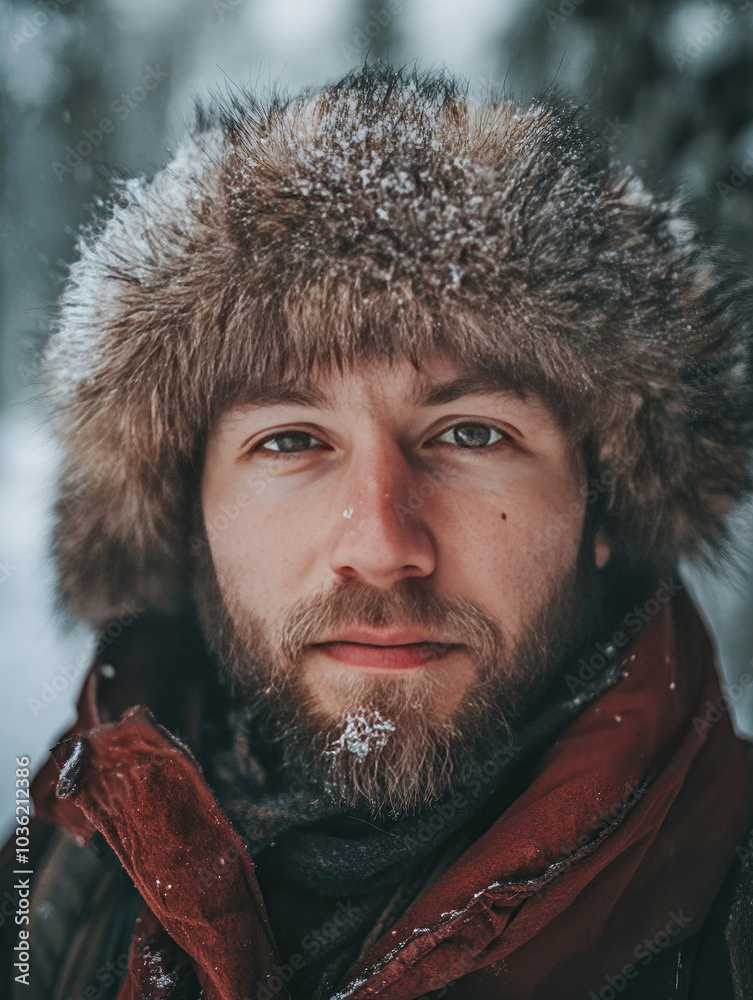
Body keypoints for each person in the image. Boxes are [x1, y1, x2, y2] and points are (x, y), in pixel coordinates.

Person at [2, 62, 753, 1000]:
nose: (380, 542)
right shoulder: (54, 877)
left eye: (472, 433)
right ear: (188, 518)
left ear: (602, 506)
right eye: (289, 440)